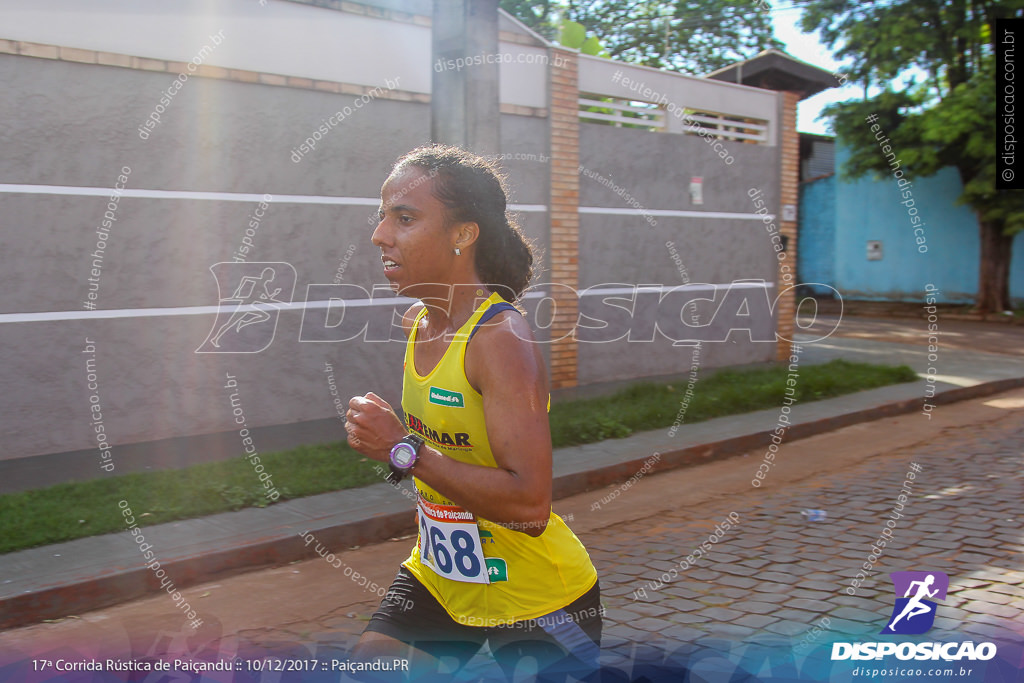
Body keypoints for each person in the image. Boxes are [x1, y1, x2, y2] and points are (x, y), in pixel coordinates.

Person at [344, 145, 601, 680]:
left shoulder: (499, 340)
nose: (380, 234)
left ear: (463, 234)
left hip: (535, 595)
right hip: (443, 575)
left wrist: (401, 450)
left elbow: (530, 507)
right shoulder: (421, 320)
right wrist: (398, 449)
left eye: (405, 218)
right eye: (383, 215)